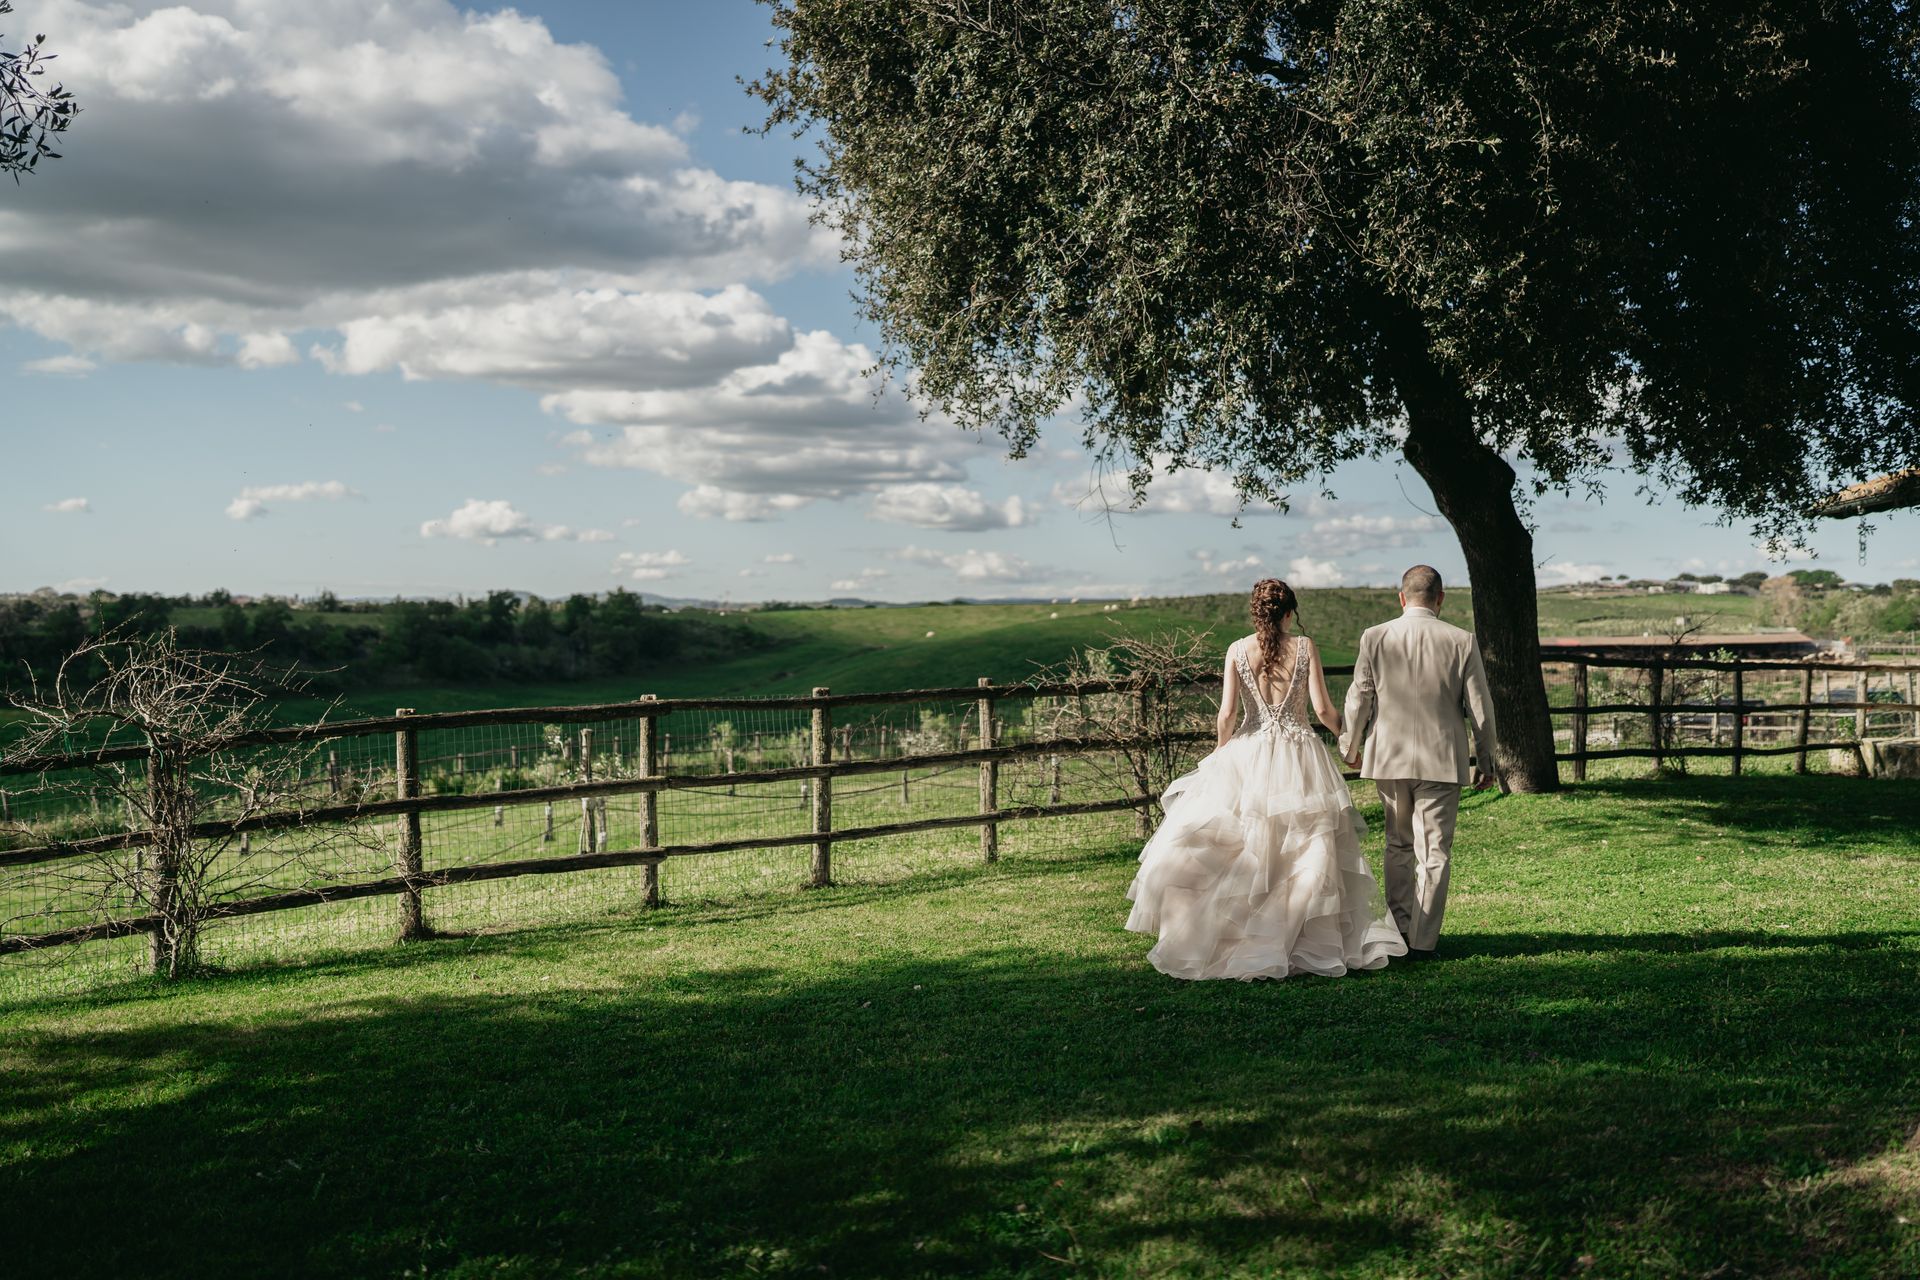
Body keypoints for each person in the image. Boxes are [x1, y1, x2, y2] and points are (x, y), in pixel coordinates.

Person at [1125, 579, 1406, 980]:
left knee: (1248, 848)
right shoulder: (1305, 648)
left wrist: (1221, 751)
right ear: (1289, 612)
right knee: (1303, 851)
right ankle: (1299, 941)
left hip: (1250, 750)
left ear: (1257, 613)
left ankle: (1241, 939)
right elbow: (1323, 709)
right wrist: (1347, 738)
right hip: (1299, 753)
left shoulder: (1238, 650)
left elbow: (1227, 714)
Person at [1338, 565, 1497, 960]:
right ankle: (1423, 941)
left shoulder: (1374, 637)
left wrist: (1350, 745)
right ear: (1441, 598)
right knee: (1435, 852)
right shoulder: (1462, 640)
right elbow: (1480, 707)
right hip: (1441, 757)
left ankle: (1399, 931)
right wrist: (1487, 757)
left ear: (1402, 597)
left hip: (1389, 757)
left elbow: (1359, 697)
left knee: (1397, 844)